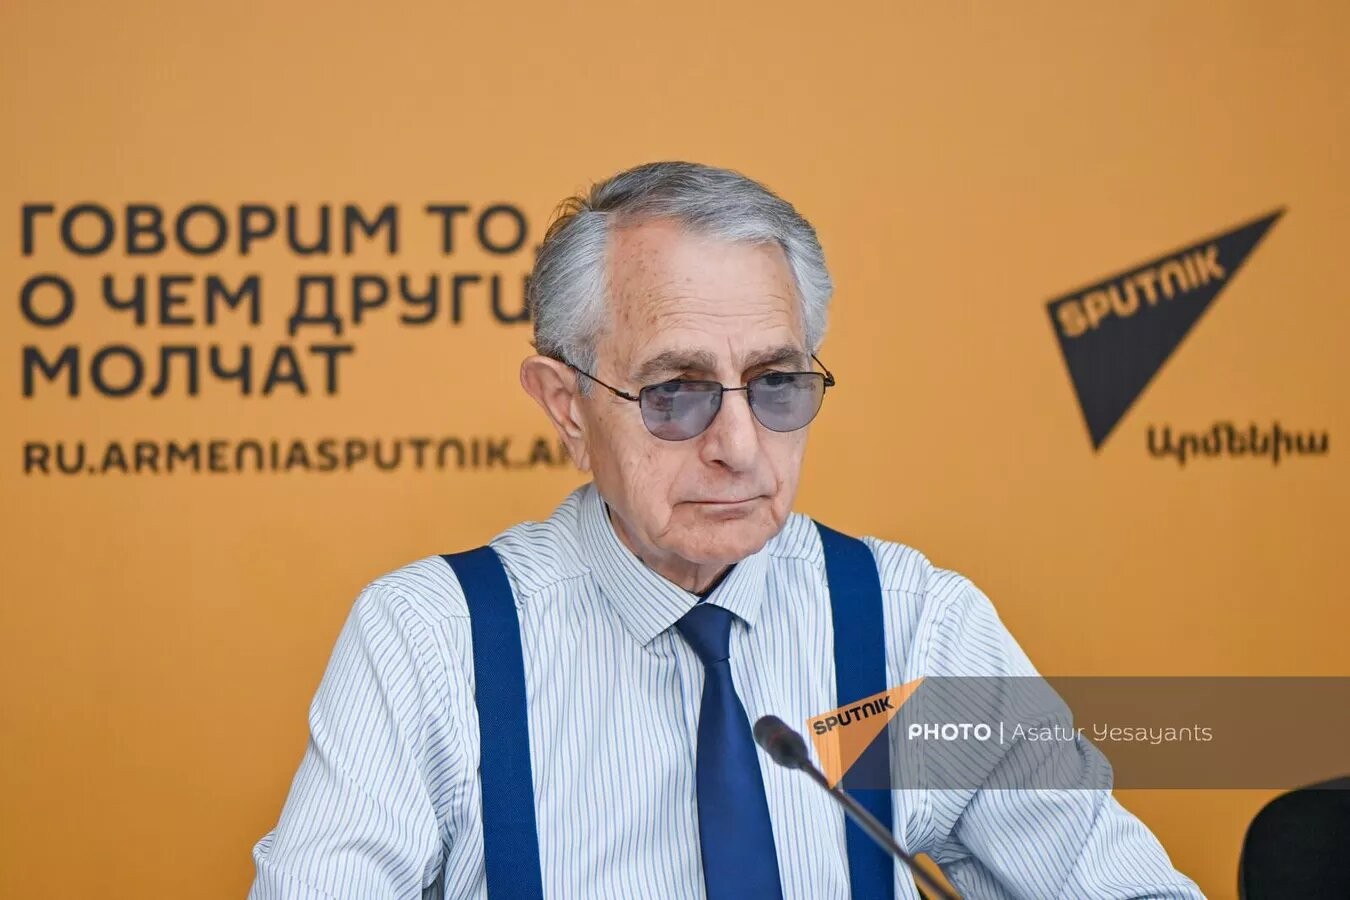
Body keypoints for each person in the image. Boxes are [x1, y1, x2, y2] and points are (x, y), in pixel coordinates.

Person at [249, 161, 1203, 899]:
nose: (740, 447)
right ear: (568, 407)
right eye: (676, 391)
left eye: (777, 384)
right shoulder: (431, 638)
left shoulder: (916, 623)